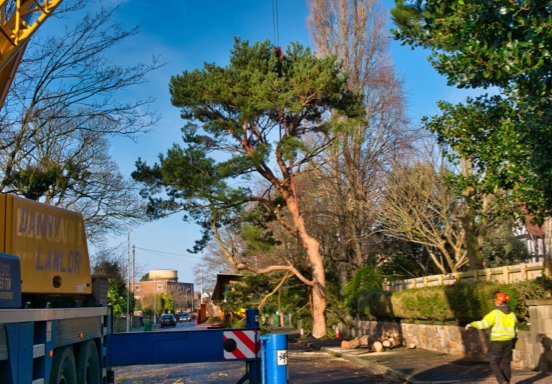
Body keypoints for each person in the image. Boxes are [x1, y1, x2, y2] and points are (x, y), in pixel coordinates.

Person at [465, 292, 517, 384]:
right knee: (506, 363)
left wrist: (471, 324)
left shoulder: (495, 313)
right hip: (509, 342)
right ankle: (506, 382)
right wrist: (514, 342)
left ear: (497, 301)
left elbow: (484, 324)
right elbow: (516, 330)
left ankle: (502, 381)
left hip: (498, 342)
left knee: (494, 362)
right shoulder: (512, 315)